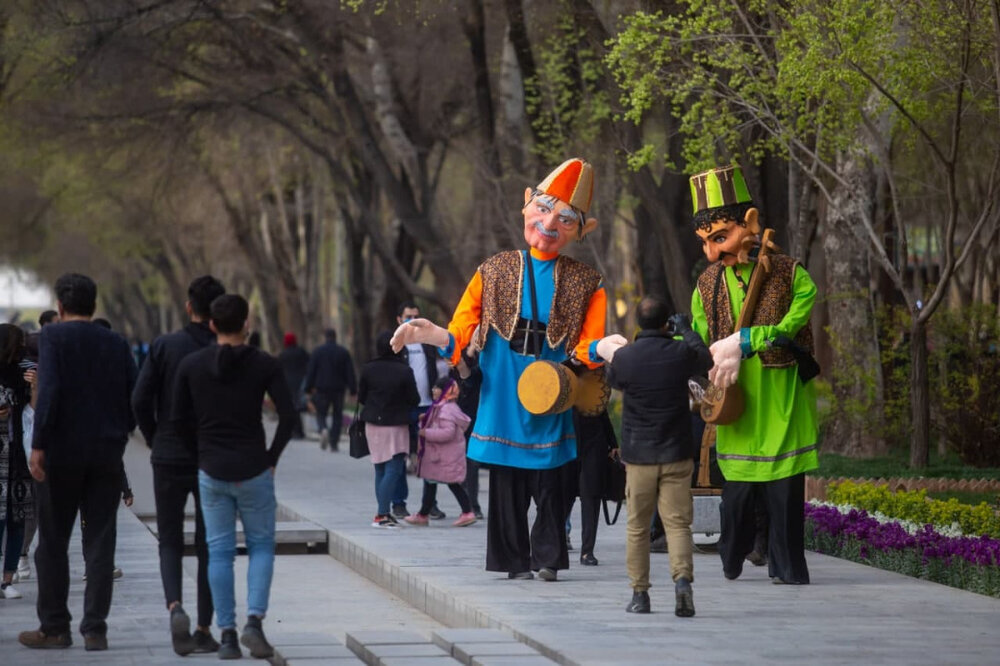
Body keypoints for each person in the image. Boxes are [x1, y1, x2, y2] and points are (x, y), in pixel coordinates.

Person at [391, 158, 622, 581]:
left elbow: (588, 345)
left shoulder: (589, 281)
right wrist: (435, 334)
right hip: (503, 392)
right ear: (526, 205)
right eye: (544, 208)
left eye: (566, 218)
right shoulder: (493, 269)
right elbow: (463, 327)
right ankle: (513, 559)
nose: (550, 222)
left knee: (552, 481)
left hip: (552, 393)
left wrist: (602, 347)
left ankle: (548, 557)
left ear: (581, 230)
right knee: (507, 486)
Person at [688, 165, 819, 585]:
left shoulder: (786, 269)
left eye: (720, 238)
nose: (712, 253)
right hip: (737, 401)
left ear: (749, 224)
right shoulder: (707, 282)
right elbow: (700, 331)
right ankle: (732, 559)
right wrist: (715, 353)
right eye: (705, 242)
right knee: (738, 494)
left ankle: (787, 568)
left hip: (779, 394)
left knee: (783, 491)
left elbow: (804, 304)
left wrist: (754, 338)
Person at [172, 294, 295, 660]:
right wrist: (271, 459)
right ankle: (254, 623)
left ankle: (226, 635)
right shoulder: (265, 364)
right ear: (246, 324)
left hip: (212, 472)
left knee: (219, 553)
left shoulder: (192, 365)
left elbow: (177, 422)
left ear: (211, 325)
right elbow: (289, 417)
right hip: (255, 468)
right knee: (261, 547)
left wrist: (200, 457)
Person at [19, 273, 138, 652]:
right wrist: (119, 434)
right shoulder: (116, 342)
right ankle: (95, 629)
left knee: (52, 542)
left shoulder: (54, 337)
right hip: (106, 454)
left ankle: (55, 627)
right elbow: (135, 396)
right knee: (101, 541)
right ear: (94, 304)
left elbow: (49, 390)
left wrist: (38, 445)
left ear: (60, 306)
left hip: (62, 454)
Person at [131, 274, 225, 655]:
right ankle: (204, 627)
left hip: (168, 454)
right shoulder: (225, 349)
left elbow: (139, 398)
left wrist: (155, 437)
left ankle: (174, 606)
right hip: (212, 457)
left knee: (169, 539)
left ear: (189, 307)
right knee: (210, 544)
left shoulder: (165, 345)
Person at [601, 296, 711, 617]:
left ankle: (640, 595)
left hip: (638, 457)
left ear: (638, 324)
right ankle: (682, 584)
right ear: (668, 324)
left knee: (636, 527)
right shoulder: (680, 352)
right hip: (677, 452)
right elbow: (705, 359)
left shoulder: (627, 358)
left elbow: (612, 378)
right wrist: (687, 331)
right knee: (678, 525)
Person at [357, 331, 419, 529]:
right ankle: (382, 514)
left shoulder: (368, 369)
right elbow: (414, 399)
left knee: (380, 468)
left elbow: (361, 397)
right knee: (393, 468)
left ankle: (382, 512)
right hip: (396, 425)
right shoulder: (404, 371)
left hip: (373, 424)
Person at [404, 377, 477, 527]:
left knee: (452, 483)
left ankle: (467, 512)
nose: (433, 390)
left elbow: (447, 433)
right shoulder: (442, 406)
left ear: (445, 391)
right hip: (441, 455)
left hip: (445, 456)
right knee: (431, 482)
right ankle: (423, 514)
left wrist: (426, 433)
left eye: (436, 387)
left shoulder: (447, 409)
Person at [392, 303, 441, 519]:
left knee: (429, 458)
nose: (412, 320)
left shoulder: (427, 344)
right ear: (399, 319)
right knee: (402, 455)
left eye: (415, 316)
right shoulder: (396, 345)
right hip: (404, 408)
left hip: (427, 406)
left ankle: (429, 504)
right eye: (407, 316)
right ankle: (398, 502)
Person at [0, 324, 36, 600]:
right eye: (19, 343)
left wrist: (34, 387)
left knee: (17, 518)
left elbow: (34, 411)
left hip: (17, 457)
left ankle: (7, 579)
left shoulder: (26, 373)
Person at [563, 408, 617, 567]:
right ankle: (553, 544)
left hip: (594, 439)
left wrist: (612, 442)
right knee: (564, 494)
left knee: (591, 496)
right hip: (566, 437)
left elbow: (600, 406)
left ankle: (587, 550)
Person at [304, 328, 356, 451]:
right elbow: (349, 372)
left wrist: (308, 388)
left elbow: (311, 371)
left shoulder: (318, 352)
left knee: (321, 413)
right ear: (335, 337)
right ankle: (333, 443)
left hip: (321, 388)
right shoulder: (343, 352)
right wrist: (353, 390)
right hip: (339, 389)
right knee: (337, 415)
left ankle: (323, 429)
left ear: (325, 337)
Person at [453, 346, 484, 519]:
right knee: (463, 459)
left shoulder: (489, 347)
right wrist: (470, 351)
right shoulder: (461, 348)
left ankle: (473, 504)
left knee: (472, 462)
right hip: (463, 412)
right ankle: (468, 504)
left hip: (481, 413)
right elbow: (461, 379)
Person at [278, 331, 310, 440]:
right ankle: (299, 431)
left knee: (291, 407)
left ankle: (294, 430)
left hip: (287, 384)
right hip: (301, 383)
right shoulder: (301, 352)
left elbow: (278, 370)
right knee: (298, 407)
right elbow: (309, 365)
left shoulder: (283, 355)